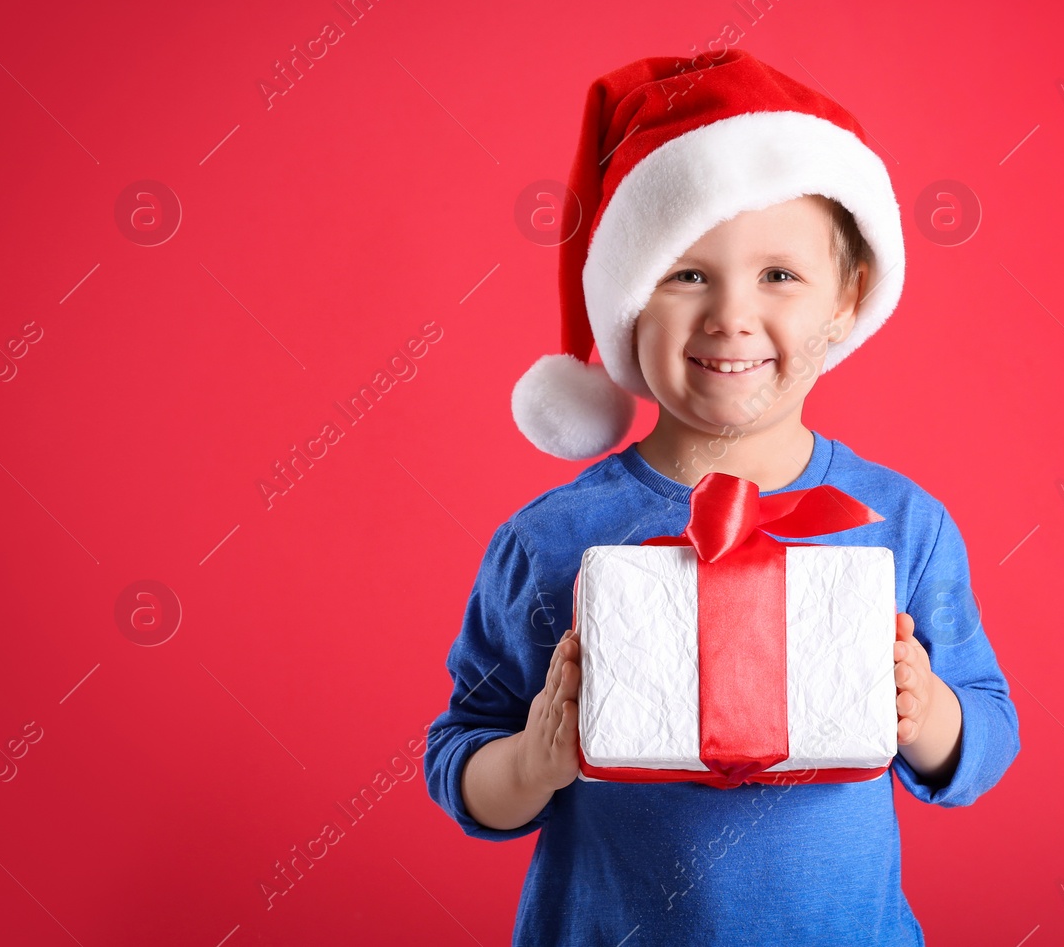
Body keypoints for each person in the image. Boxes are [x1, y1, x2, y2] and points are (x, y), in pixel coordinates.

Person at [423, 48, 1020, 945]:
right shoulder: (548, 541)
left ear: (846, 298)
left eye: (779, 275)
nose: (730, 316)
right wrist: (535, 758)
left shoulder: (902, 525)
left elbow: (988, 737)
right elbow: (460, 757)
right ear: (625, 306)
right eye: (686, 273)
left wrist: (928, 712)